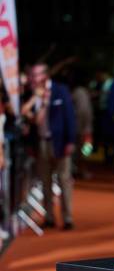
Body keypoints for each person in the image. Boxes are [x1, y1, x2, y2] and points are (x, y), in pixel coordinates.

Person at [28, 63, 76, 230]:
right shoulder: (33, 94)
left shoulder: (60, 90)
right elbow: (31, 120)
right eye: (32, 75)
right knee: (45, 181)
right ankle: (49, 217)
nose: (34, 78)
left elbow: (70, 116)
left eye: (37, 74)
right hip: (41, 142)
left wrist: (70, 141)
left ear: (46, 75)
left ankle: (67, 218)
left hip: (60, 142)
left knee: (64, 180)